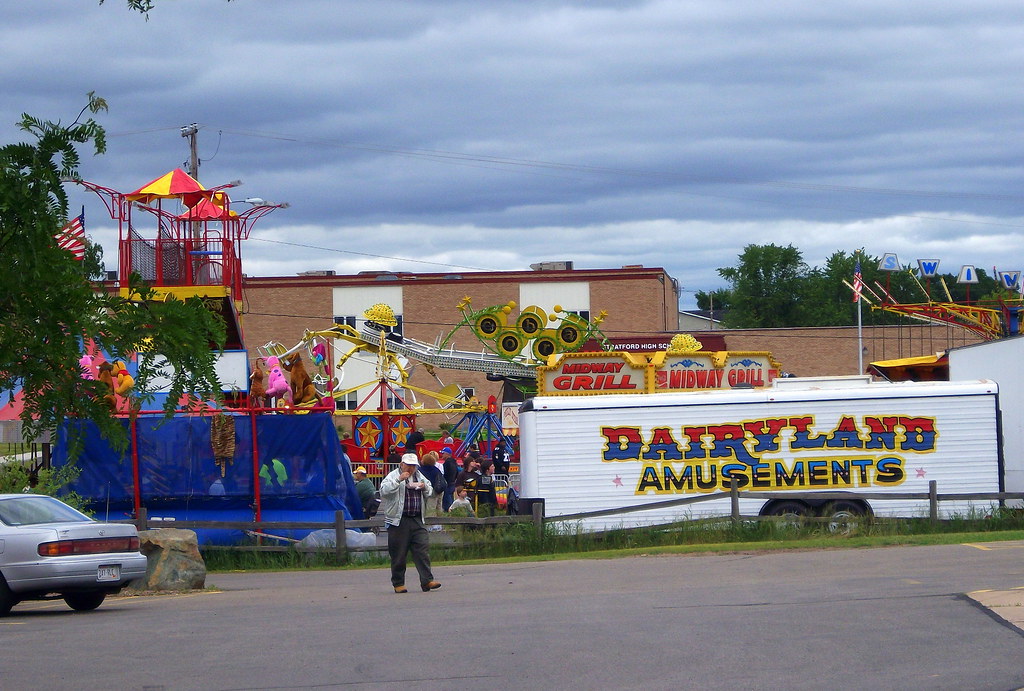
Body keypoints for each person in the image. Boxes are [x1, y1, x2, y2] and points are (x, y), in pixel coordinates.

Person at [378, 453, 441, 593]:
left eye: (414, 465)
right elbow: (384, 492)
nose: (411, 468)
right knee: (399, 553)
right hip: (399, 520)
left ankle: (427, 581)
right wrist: (399, 480)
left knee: (422, 550)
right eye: (409, 465)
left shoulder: (419, 476)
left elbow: (430, 490)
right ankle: (398, 583)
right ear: (402, 464)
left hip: (417, 518)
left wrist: (424, 487)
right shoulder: (393, 476)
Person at [417, 451, 445, 523]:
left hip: (423, 492)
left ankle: (426, 524)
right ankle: (437, 524)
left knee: (424, 509)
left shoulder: (419, 470)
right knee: (434, 508)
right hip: (435, 491)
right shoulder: (436, 470)